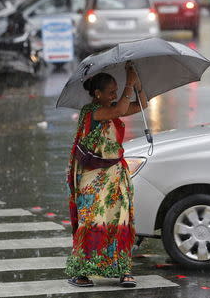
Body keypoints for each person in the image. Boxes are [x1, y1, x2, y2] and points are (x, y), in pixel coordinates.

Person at [65, 62, 148, 288]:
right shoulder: (92, 112)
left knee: (120, 222)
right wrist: (128, 83)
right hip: (93, 180)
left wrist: (137, 83)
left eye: (116, 91)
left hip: (116, 178)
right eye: (110, 92)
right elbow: (121, 109)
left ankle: (124, 271)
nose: (114, 95)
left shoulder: (110, 108)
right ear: (97, 93)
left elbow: (142, 105)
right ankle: (82, 271)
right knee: (93, 223)